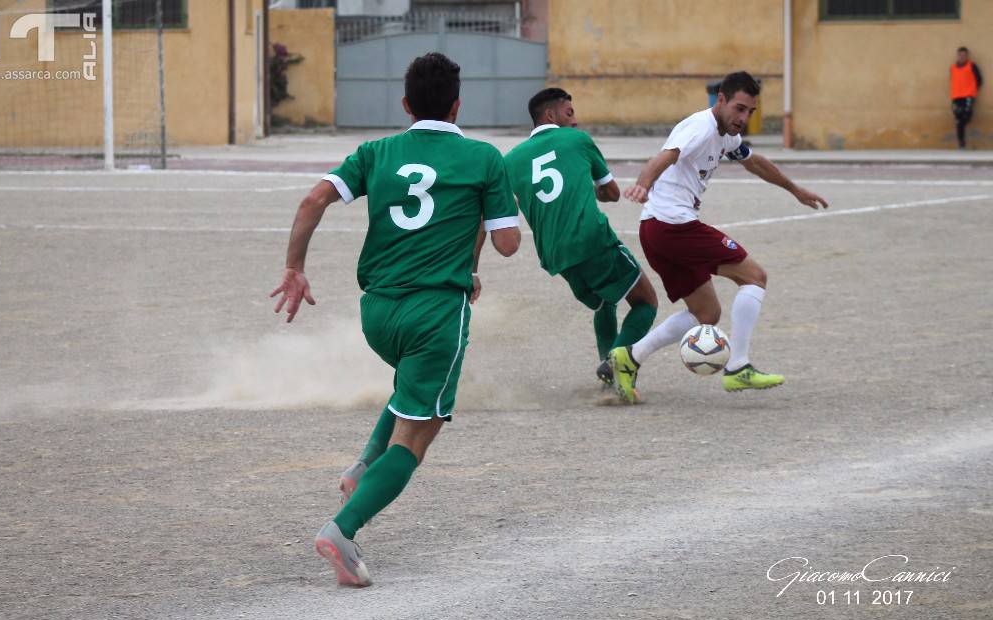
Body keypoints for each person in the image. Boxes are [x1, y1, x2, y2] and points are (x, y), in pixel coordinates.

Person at [270, 52, 521, 587]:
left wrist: (294, 268)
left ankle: (362, 468)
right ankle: (342, 528)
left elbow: (313, 200)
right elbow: (507, 244)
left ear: (406, 104)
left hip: (378, 312)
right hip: (435, 314)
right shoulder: (483, 158)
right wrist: (489, 213)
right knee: (417, 437)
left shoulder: (375, 152)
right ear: (457, 105)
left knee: (410, 389)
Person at [609, 71, 828, 401]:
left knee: (706, 314)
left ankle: (628, 358)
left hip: (656, 229)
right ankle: (738, 367)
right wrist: (644, 183)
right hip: (673, 227)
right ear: (721, 100)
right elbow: (664, 157)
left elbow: (754, 163)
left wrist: (795, 189)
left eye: (750, 112)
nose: (743, 118)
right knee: (755, 277)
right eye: (739, 108)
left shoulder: (726, 135)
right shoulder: (700, 127)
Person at [503, 88, 659, 398]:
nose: (575, 121)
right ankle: (617, 362)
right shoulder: (578, 141)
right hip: (591, 238)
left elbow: (506, 211)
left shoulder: (511, 160)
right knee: (646, 302)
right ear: (550, 115)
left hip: (554, 254)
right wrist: (591, 189)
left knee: (604, 301)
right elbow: (611, 193)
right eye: (569, 114)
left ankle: (610, 380)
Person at [951, 46, 983, 149]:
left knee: (966, 117)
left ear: (967, 56)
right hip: (956, 97)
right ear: (958, 55)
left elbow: (979, 80)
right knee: (958, 120)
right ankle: (961, 144)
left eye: (964, 55)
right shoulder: (952, 67)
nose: (962, 57)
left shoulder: (972, 66)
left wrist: (972, 91)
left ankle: (963, 142)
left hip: (968, 96)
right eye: (960, 55)